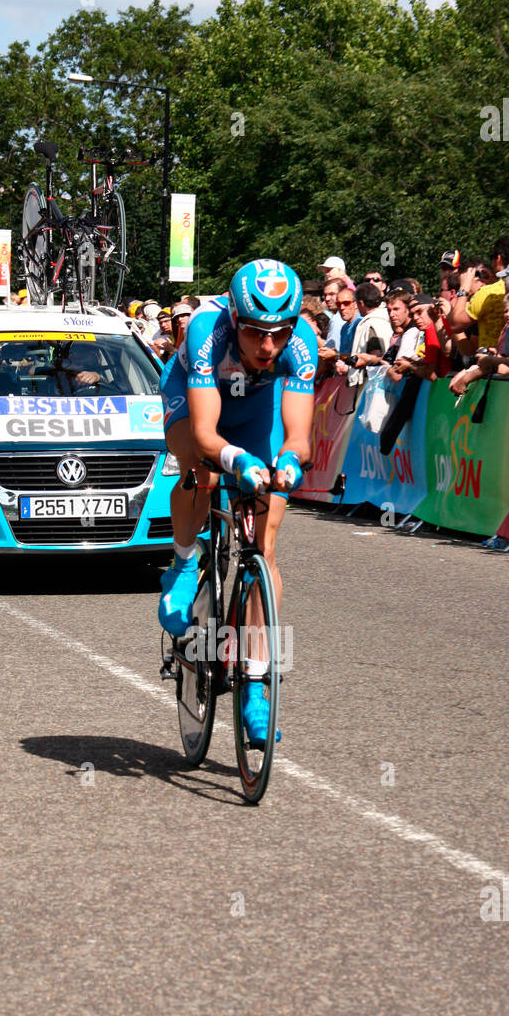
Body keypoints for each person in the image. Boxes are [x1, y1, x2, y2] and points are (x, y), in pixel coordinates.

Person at [157, 258, 317, 746]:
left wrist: (288, 462)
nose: (268, 346)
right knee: (202, 468)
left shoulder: (302, 342)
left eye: (279, 332)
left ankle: (256, 685)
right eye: (254, 332)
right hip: (196, 406)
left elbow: (300, 438)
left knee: (264, 554)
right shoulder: (207, 329)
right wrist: (235, 460)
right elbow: (206, 434)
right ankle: (185, 562)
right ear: (234, 319)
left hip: (256, 413)